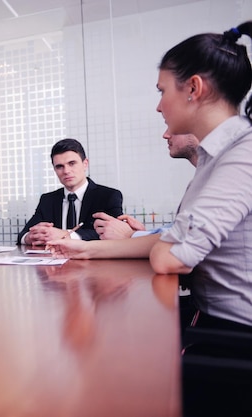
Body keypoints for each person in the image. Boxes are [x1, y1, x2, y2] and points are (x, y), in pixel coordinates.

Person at [51, 22, 252, 333]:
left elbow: (171, 256)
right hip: (211, 321)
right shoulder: (216, 158)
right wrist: (86, 249)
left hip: (232, 337)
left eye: (163, 91)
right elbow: (172, 239)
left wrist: (164, 242)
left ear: (194, 89)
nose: (159, 106)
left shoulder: (242, 156)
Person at [93, 129, 199, 240]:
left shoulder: (214, 177)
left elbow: (187, 238)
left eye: (174, 128)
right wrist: (142, 234)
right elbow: (176, 230)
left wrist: (130, 235)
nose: (165, 135)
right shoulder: (199, 179)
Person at [17, 138, 123, 245]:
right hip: (54, 259)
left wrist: (67, 235)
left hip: (92, 260)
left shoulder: (108, 196)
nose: (66, 171)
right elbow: (23, 234)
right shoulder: (47, 200)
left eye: (72, 163)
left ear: (85, 164)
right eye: (59, 166)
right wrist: (30, 237)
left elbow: (116, 235)